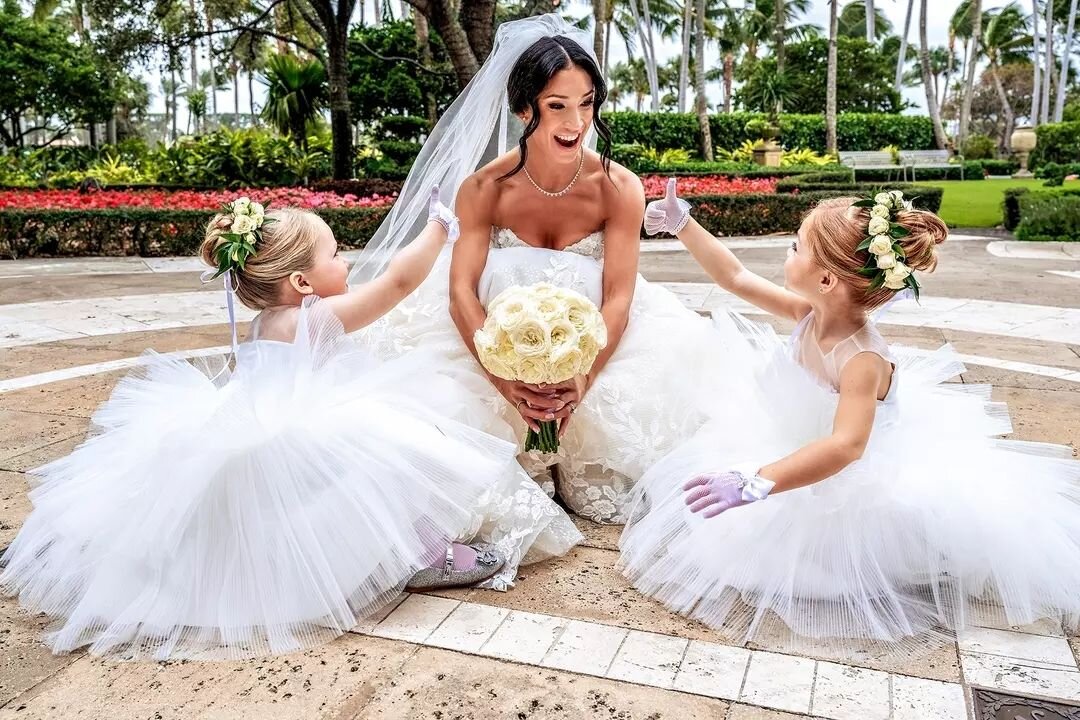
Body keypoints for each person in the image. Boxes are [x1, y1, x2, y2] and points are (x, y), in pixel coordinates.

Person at [1, 192, 515, 660]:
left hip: (255, 428)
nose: (347, 260)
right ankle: (421, 554)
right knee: (395, 453)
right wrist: (438, 228)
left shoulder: (264, 321)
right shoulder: (311, 319)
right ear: (302, 282)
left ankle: (70, 550)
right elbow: (397, 284)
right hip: (302, 437)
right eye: (336, 253)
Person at [620, 181, 1080, 650]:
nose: (788, 251)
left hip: (853, 476)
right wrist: (684, 224)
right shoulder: (808, 313)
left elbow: (846, 447)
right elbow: (735, 277)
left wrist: (758, 480)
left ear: (826, 280)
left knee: (806, 564)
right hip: (798, 443)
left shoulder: (861, 358)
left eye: (796, 246)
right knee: (722, 531)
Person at [354, 14, 754, 526]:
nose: (576, 123)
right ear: (525, 109)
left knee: (615, 487)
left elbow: (617, 298)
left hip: (598, 343)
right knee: (456, 467)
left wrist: (581, 380)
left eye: (586, 104)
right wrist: (507, 383)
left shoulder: (619, 187)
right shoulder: (483, 189)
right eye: (557, 106)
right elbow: (461, 294)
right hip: (487, 342)